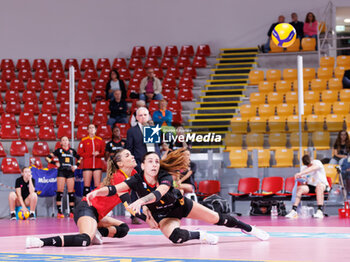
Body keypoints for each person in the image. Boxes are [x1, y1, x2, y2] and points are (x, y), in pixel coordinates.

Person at [86, 149, 269, 245]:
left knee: (218, 219)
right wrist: (96, 191)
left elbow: (159, 193)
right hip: (164, 216)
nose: (154, 164)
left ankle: (249, 229)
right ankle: (201, 236)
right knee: (176, 238)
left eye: (157, 161)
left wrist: (141, 201)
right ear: (142, 165)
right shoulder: (136, 179)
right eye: (150, 161)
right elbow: (114, 189)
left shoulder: (164, 175)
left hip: (181, 206)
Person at [25, 149, 154, 248]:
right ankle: (41, 241)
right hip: (86, 208)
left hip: (98, 214)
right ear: (120, 163)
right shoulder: (118, 177)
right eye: (127, 155)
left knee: (123, 229)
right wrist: (148, 220)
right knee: (85, 239)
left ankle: (96, 232)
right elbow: (129, 205)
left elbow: (142, 195)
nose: (132, 156)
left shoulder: (133, 174)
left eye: (131, 154)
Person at [126, 106, 160, 224]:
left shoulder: (153, 129)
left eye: (145, 115)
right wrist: (131, 165)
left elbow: (156, 147)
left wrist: (157, 160)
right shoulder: (131, 131)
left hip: (152, 164)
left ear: (148, 116)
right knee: (136, 190)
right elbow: (129, 149)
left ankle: (155, 213)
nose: (143, 117)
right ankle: (134, 215)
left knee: (153, 189)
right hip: (139, 164)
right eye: (140, 115)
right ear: (136, 117)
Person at [46, 136, 81, 218]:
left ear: (68, 142)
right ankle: (59, 212)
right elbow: (47, 158)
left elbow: (79, 158)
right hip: (61, 172)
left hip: (70, 172)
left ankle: (72, 211)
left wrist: (76, 166)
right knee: (60, 191)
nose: (65, 141)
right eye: (63, 140)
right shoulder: (58, 151)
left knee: (71, 191)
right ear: (61, 143)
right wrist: (55, 163)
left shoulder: (72, 151)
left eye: (66, 140)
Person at [286, 155, 330, 219]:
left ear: (311, 160)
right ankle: (294, 211)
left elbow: (312, 168)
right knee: (300, 188)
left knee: (319, 187)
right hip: (310, 186)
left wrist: (300, 173)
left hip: (322, 185)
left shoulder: (317, 162)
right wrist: (302, 180)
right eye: (307, 165)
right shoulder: (303, 168)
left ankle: (320, 211)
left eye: (310, 164)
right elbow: (305, 181)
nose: (309, 166)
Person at [78, 124, 105, 197]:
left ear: (95, 130)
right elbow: (80, 153)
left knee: (97, 186)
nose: (91, 129)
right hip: (87, 164)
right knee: (86, 186)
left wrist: (98, 154)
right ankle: (85, 203)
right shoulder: (83, 140)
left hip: (97, 164)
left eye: (93, 127)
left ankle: (97, 203)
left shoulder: (100, 140)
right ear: (87, 130)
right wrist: (90, 154)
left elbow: (103, 152)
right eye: (90, 128)